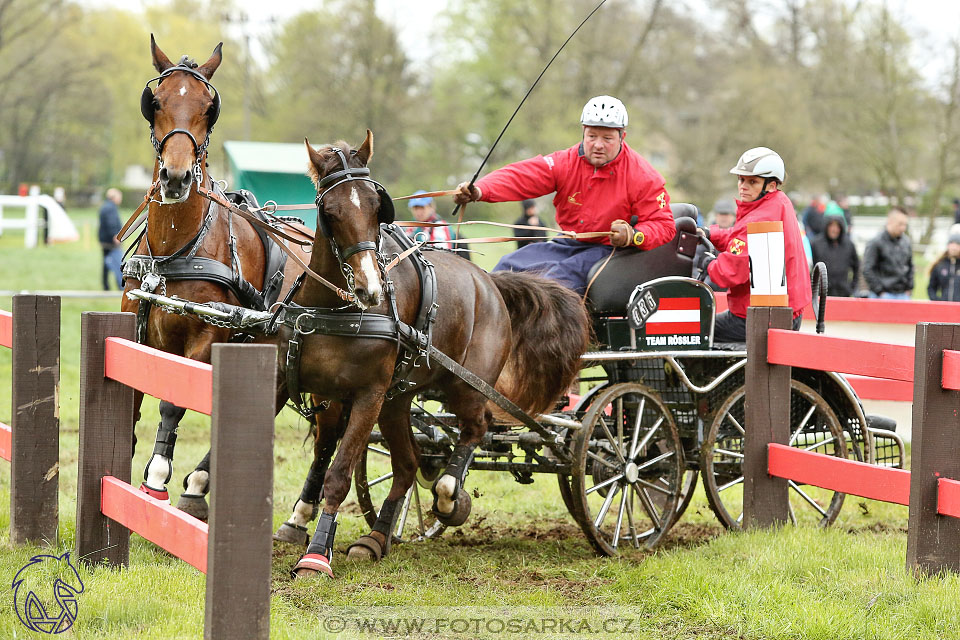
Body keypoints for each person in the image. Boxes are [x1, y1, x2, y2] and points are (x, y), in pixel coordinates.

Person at [453, 95, 675, 294]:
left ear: (622, 137)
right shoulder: (565, 162)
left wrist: (633, 235)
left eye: (607, 138)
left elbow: (664, 226)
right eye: (592, 136)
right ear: (583, 133)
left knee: (555, 281)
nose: (598, 145)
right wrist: (480, 190)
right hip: (568, 243)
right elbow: (523, 175)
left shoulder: (643, 175)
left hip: (610, 251)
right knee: (505, 270)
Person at [697, 147, 812, 342]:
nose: (743, 186)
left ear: (771, 185)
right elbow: (741, 238)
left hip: (764, 317)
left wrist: (706, 262)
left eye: (753, 182)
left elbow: (729, 272)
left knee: (695, 332)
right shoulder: (777, 202)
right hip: (784, 311)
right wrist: (710, 233)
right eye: (741, 179)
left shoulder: (761, 217)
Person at [810, 201, 860, 297]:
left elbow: (857, 267)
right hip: (820, 296)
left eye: (837, 226)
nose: (834, 229)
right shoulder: (815, 244)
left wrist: (852, 288)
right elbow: (808, 268)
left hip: (843, 294)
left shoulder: (849, 245)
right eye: (831, 225)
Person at [862, 207, 913, 299]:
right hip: (882, 295)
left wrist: (909, 288)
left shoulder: (906, 242)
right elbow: (867, 269)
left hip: (903, 294)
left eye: (905, 225)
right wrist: (880, 291)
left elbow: (910, 266)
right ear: (890, 222)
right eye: (900, 224)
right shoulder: (875, 242)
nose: (903, 228)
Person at [98, 188, 124, 290]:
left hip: (105, 241)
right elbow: (111, 223)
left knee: (106, 263)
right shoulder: (111, 208)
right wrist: (115, 236)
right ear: (114, 197)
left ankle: (106, 286)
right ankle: (119, 285)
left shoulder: (106, 206)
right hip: (111, 242)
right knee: (116, 263)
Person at [927, 231, 960, 301]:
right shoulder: (940, 265)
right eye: (952, 243)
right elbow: (931, 288)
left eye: (957, 244)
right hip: (944, 308)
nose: (954, 247)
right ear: (948, 245)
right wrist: (937, 301)